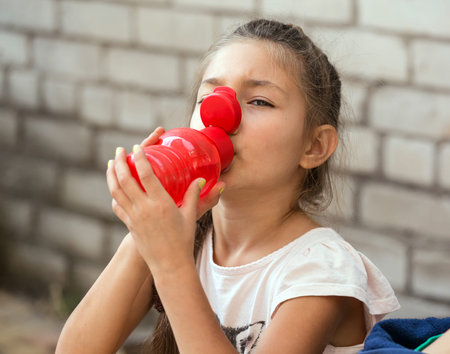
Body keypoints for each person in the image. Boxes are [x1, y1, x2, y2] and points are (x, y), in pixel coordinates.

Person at [56, 19, 400, 354]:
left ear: (313, 147)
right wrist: (144, 232)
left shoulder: (322, 269)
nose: (221, 114)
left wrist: (172, 266)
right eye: (208, 98)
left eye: (259, 101)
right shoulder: (182, 237)